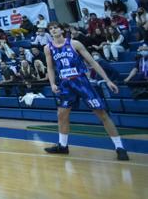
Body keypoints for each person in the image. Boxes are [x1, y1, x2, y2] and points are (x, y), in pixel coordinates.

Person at [43, 22, 128, 160]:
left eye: (55, 28)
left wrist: (107, 80)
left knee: (102, 114)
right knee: (61, 115)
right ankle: (63, 146)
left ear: (62, 29)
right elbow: (50, 68)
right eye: (50, 29)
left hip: (81, 81)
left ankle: (119, 147)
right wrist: (52, 83)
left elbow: (93, 63)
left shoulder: (74, 43)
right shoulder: (48, 48)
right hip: (65, 84)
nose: (53, 30)